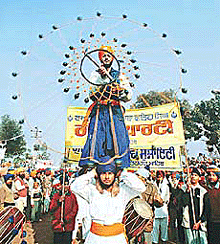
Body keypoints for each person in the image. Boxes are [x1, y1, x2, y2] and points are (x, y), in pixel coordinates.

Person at [79, 45, 133, 169]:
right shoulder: (95, 74)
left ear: (113, 58)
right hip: (100, 111)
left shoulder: (119, 75)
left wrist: (122, 92)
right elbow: (92, 92)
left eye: (109, 55)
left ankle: (121, 168)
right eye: (104, 56)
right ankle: (91, 167)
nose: (106, 58)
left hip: (114, 111)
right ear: (100, 59)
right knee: (97, 136)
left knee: (119, 136)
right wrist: (103, 78)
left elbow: (128, 93)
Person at [71, 157, 146, 244]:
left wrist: (123, 173)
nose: (107, 177)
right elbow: (74, 187)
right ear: (98, 174)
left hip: (116, 239)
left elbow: (141, 187)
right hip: (95, 238)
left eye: (110, 173)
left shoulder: (123, 191)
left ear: (115, 175)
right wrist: (91, 173)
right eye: (103, 173)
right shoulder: (92, 191)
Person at [131, 168, 163, 244]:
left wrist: (159, 202)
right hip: (132, 220)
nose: (135, 177)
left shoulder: (151, 188)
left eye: (138, 175)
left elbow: (158, 204)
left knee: (147, 240)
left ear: (143, 178)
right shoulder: (130, 185)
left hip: (146, 221)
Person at [181, 168, 208, 244]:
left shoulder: (203, 191)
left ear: (199, 178)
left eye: (195, 175)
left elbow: (206, 209)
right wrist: (187, 191)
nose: (193, 176)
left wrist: (199, 222)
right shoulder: (183, 189)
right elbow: (183, 203)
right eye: (191, 175)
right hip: (188, 222)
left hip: (200, 224)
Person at [50, 174, 78, 244]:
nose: (65, 186)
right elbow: (51, 208)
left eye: (66, 184)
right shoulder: (56, 196)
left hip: (68, 225)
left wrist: (67, 218)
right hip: (57, 225)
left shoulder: (72, 196)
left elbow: (75, 209)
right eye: (63, 184)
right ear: (60, 185)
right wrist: (58, 202)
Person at [202, 166, 220, 244]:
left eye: (214, 175)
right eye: (209, 175)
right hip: (211, 221)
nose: (211, 177)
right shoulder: (205, 189)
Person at [152, 170, 170, 244]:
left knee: (164, 229)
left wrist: (160, 200)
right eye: (158, 176)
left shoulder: (165, 186)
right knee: (154, 229)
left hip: (163, 209)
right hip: (155, 210)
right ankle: (155, 241)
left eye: (160, 176)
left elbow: (164, 198)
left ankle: (164, 240)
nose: (159, 178)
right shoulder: (153, 185)